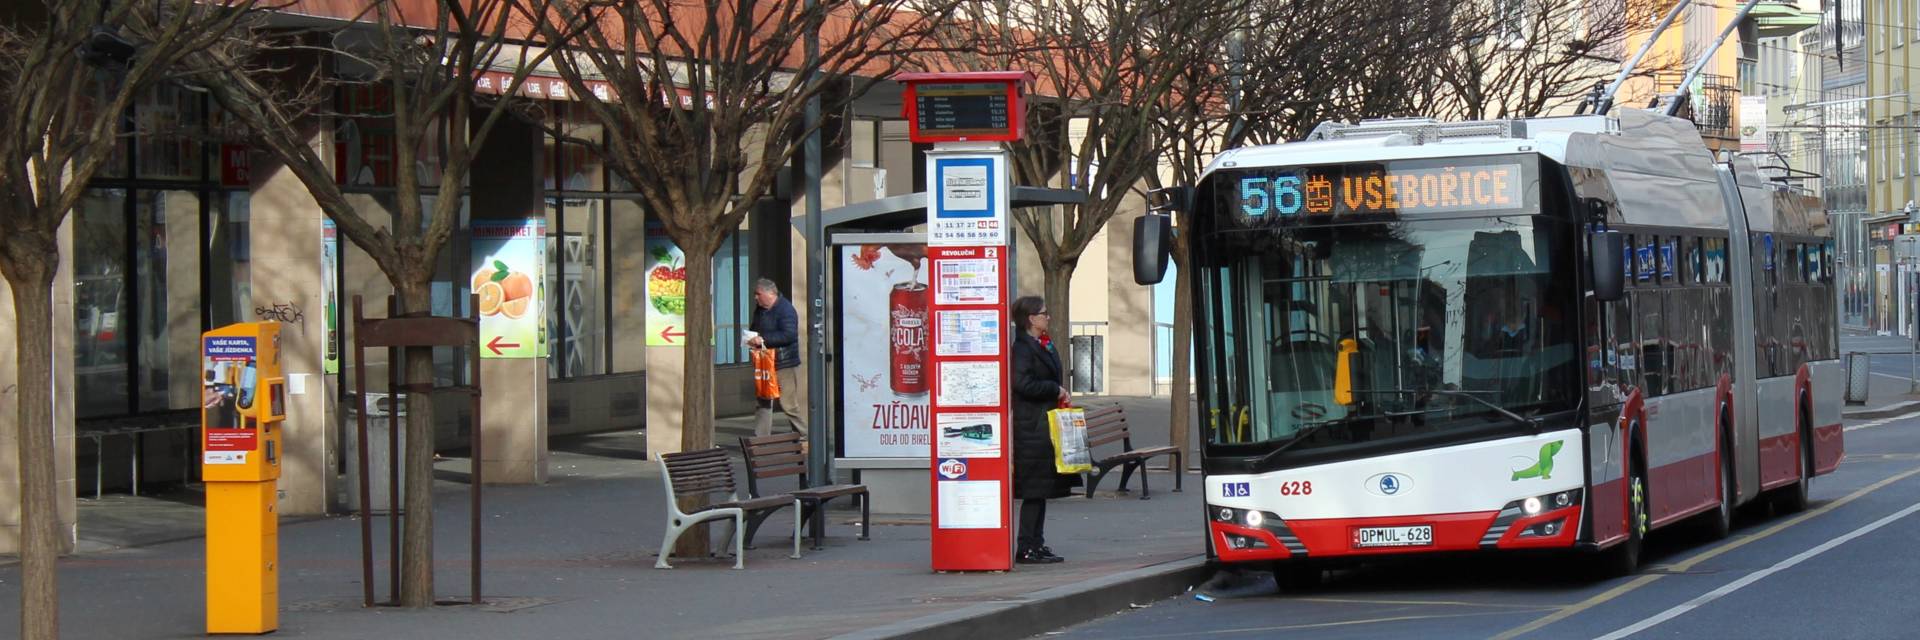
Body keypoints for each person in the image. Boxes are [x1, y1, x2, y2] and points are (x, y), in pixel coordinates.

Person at [1010, 295, 1078, 565]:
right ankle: (1027, 546)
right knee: (1034, 491)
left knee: (1041, 490)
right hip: (1031, 427)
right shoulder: (1024, 348)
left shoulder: (1042, 344)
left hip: (1042, 424)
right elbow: (1022, 384)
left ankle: (1036, 543)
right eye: (1044, 313)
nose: (1048, 317)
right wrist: (1054, 389)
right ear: (1031, 319)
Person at [748, 278, 806, 440]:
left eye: (758, 294)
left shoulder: (785, 310)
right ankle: (761, 438)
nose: (756, 297)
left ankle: (802, 433)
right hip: (765, 362)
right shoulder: (760, 310)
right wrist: (752, 338)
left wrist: (763, 339)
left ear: (770, 293)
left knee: (788, 404)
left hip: (784, 363)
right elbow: (755, 328)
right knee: (764, 400)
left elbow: (789, 335)